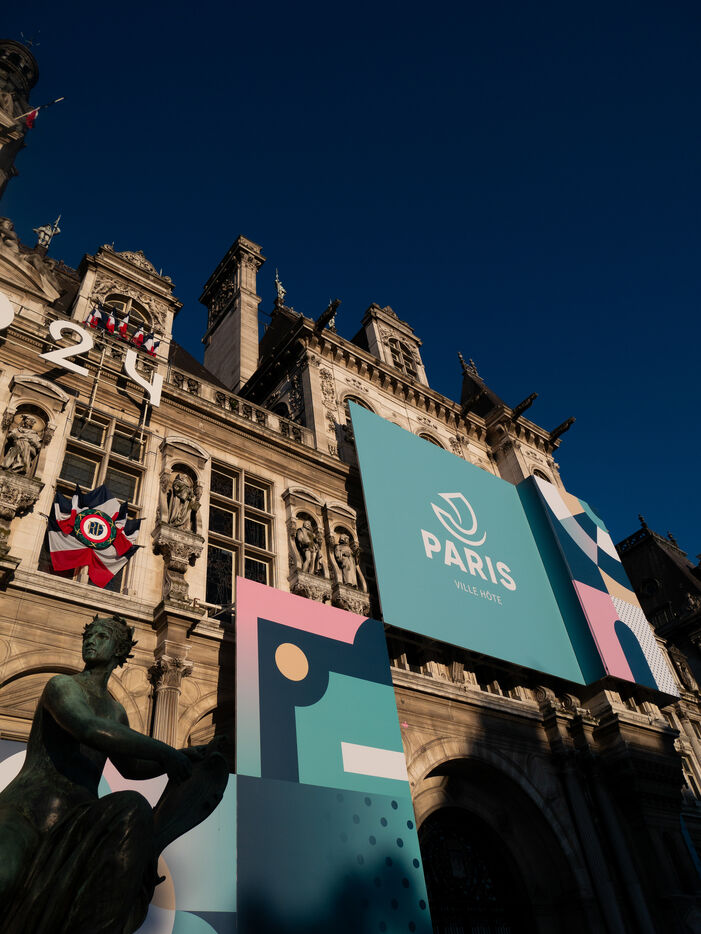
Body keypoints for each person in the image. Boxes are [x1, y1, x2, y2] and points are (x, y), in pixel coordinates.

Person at [0, 613, 227, 934]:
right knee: (4, 876)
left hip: (76, 819)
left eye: (101, 636)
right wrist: (166, 753)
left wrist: (185, 755)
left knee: (133, 808)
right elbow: (87, 727)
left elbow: (131, 767)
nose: (90, 641)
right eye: (88, 636)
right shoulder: (62, 686)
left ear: (119, 651)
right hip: (26, 813)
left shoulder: (116, 711)